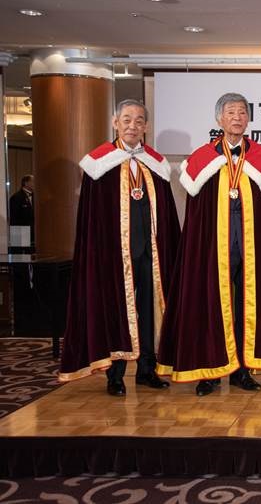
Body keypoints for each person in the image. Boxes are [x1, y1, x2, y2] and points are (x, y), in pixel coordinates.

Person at [156, 92, 261, 396]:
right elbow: (197, 212)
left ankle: (242, 371)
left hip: (251, 246)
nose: (237, 118)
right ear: (219, 119)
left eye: (242, 112)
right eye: (231, 112)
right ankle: (210, 372)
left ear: (248, 119)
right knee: (211, 306)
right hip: (214, 247)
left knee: (248, 308)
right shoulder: (203, 157)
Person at [59, 99, 180, 396]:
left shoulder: (156, 163)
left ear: (146, 127)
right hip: (114, 254)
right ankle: (115, 375)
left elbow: (166, 213)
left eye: (139, 121)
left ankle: (147, 369)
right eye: (126, 119)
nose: (132, 126)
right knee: (115, 310)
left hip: (150, 253)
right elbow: (93, 218)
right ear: (115, 123)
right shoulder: (99, 163)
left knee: (150, 311)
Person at [9, 174, 35, 252]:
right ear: (26, 183)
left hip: (33, 232)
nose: (35, 183)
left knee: (32, 254)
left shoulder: (36, 197)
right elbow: (14, 218)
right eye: (33, 181)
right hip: (20, 231)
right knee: (20, 256)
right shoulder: (16, 197)